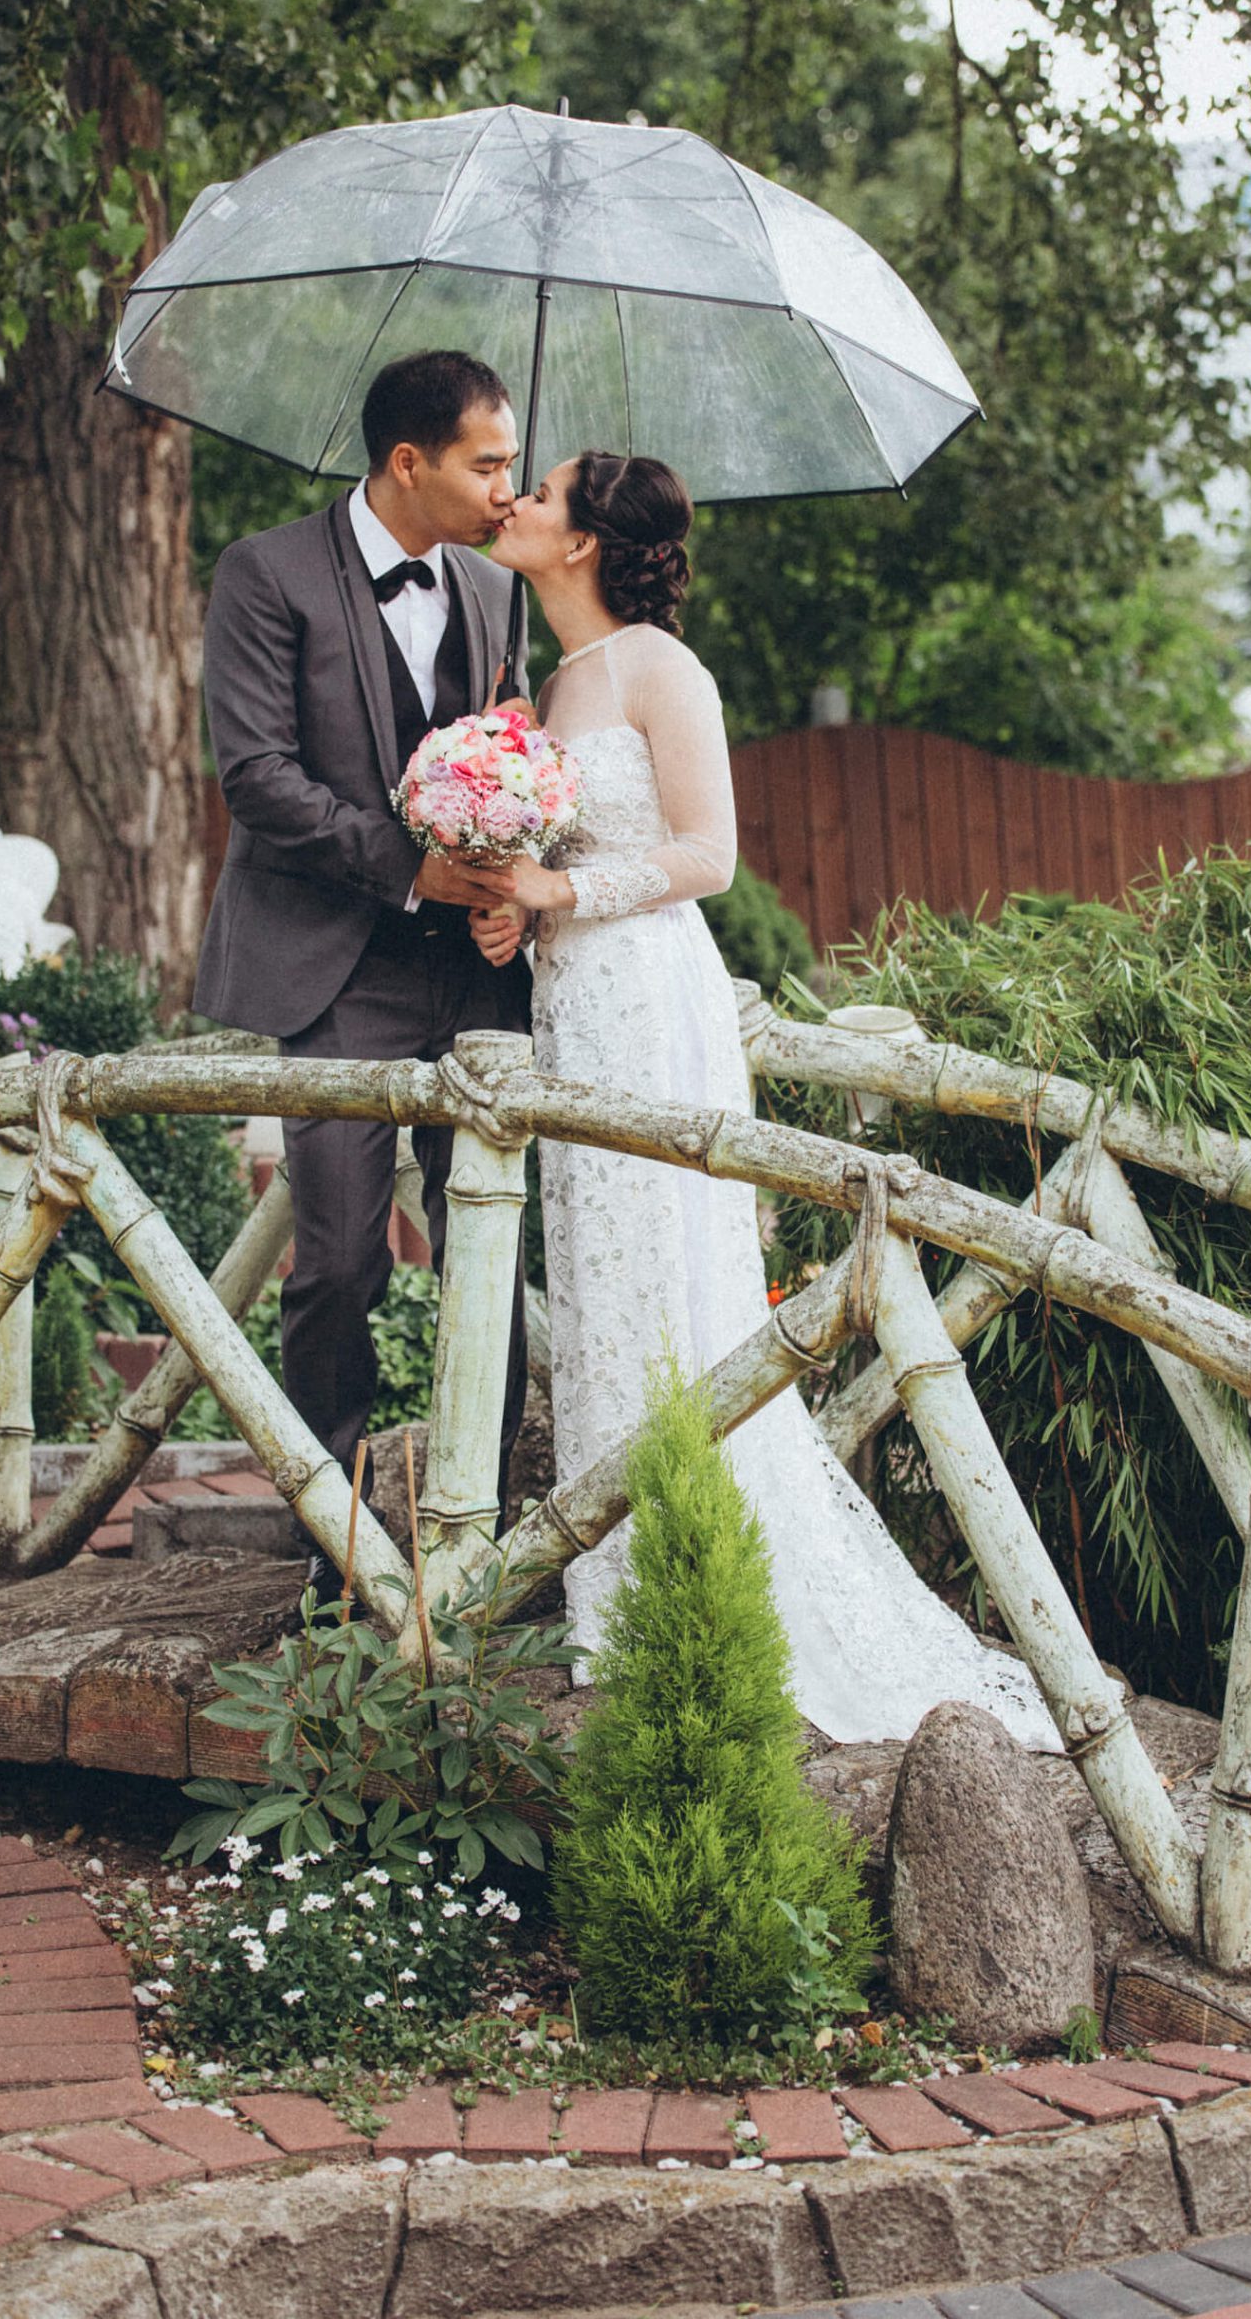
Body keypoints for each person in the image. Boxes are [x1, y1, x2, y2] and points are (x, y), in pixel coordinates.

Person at [468, 450, 1059, 1749]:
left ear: (585, 540)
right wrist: (517, 904)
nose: (514, 499)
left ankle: (702, 1563)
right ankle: (617, 1577)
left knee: (665, 1268)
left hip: (651, 1000)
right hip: (573, 1001)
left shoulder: (660, 669)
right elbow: (557, 857)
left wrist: (565, 890)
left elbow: (707, 854)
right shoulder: (550, 682)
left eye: (542, 491)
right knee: (600, 1275)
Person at [196, 350, 533, 1569]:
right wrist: (409, 868)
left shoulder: (498, 592)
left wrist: (508, 893)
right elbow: (257, 778)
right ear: (407, 462)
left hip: (478, 976)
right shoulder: (266, 573)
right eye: (487, 464)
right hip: (338, 966)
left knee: (489, 1249)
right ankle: (330, 1546)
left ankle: (483, 1531)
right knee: (339, 1261)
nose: (508, 488)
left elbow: (517, 763)